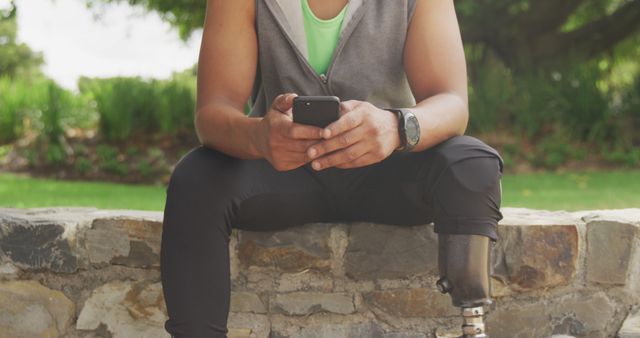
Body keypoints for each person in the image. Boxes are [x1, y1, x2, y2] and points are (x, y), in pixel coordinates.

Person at [160, 0, 504, 337]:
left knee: (471, 163)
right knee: (196, 178)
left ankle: (473, 326)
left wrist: (395, 127)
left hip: (388, 169)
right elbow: (213, 114)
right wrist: (260, 136)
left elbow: (452, 102)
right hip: (282, 172)